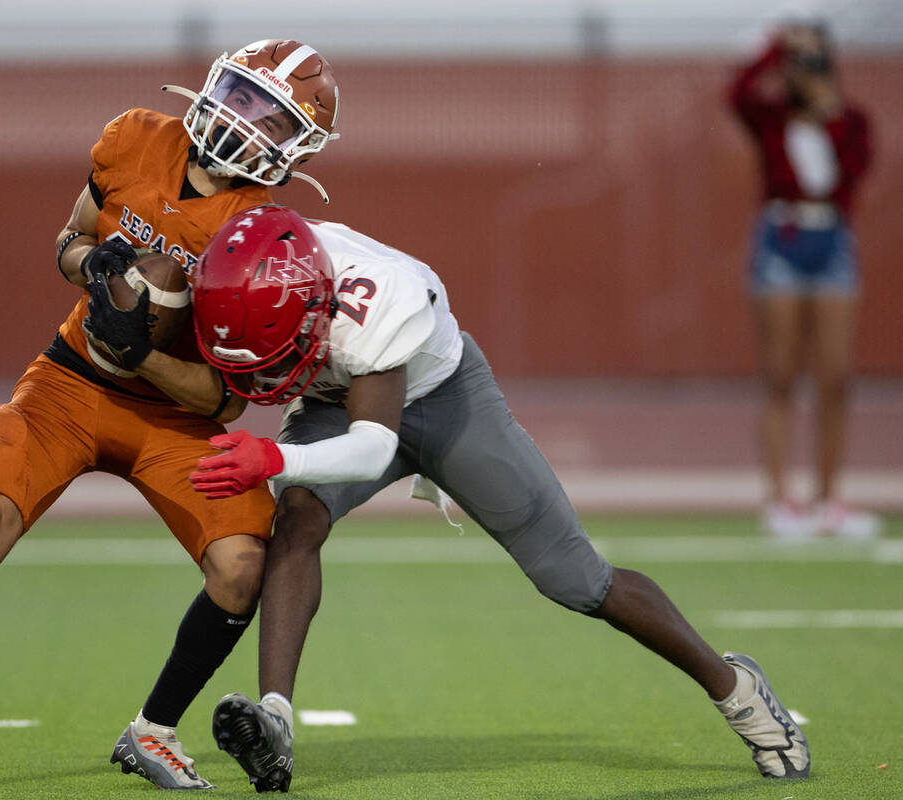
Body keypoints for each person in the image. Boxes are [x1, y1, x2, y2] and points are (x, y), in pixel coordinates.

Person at [84, 205, 812, 791]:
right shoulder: (231, 276)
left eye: (276, 355)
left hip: (442, 400)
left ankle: (737, 689)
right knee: (297, 519)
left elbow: (373, 443)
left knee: (577, 580)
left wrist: (277, 453)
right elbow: (142, 284)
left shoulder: (378, 306)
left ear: (313, 312)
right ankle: (275, 718)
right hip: (341, 397)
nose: (262, 376)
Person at [0, 41, 340, 791]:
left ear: (296, 149)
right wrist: (92, 268)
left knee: (243, 565)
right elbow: (69, 237)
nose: (248, 121)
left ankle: (153, 732)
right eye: (244, 97)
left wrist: (142, 356)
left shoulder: (259, 233)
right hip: (69, 381)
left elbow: (226, 399)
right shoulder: (136, 138)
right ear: (215, 85)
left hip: (171, 417)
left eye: (272, 119)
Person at [729, 16, 878, 539]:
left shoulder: (849, 118)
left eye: (814, 57)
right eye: (799, 61)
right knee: (781, 375)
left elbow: (854, 170)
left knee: (836, 377)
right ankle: (779, 500)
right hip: (781, 238)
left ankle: (829, 499)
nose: (804, 68)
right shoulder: (770, 116)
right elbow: (738, 92)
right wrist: (777, 45)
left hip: (832, 240)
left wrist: (827, 109)